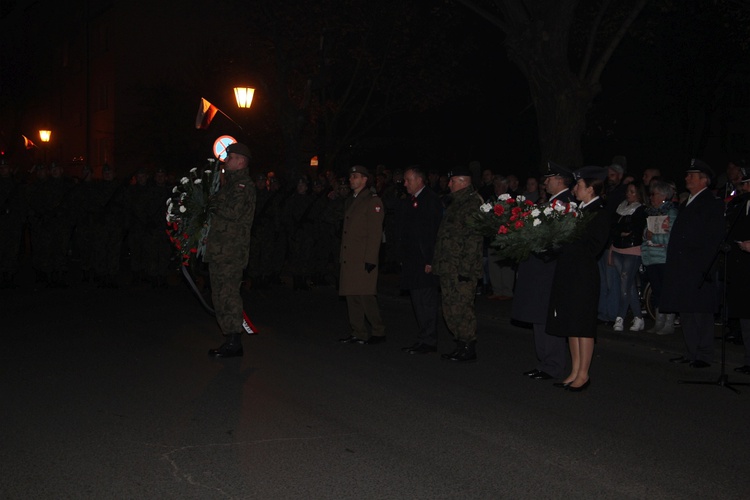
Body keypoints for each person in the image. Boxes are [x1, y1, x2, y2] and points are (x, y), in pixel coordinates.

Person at [547, 166, 610, 391]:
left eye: (580, 186)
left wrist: (569, 239)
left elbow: (593, 246)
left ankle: (584, 374)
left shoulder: (600, 212)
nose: (575, 189)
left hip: (583, 274)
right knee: (571, 324)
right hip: (569, 272)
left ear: (591, 189)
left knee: (583, 325)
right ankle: (574, 370)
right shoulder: (579, 210)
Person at [514, 161, 575, 381]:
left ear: (560, 180)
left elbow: (558, 241)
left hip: (548, 270)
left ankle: (553, 365)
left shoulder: (565, 203)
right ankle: (545, 362)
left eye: (549, 178)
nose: (545, 182)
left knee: (545, 317)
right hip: (541, 269)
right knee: (539, 318)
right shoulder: (552, 202)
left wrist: (537, 247)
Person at [661, 159, 725, 368]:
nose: (687, 178)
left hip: (698, 267)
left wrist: (705, 267)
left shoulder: (711, 203)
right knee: (686, 310)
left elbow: (712, 239)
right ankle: (691, 351)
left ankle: (704, 354)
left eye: (692, 175)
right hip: (684, 266)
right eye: (688, 174)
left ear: (704, 180)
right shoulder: (689, 200)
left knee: (701, 312)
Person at [206, 143, 256, 358]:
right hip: (220, 249)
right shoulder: (229, 185)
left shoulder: (243, 186)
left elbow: (234, 212)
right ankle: (229, 337)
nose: (227, 160)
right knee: (219, 294)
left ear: (242, 161)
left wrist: (210, 204)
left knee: (228, 294)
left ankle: (235, 341)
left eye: (232, 157)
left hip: (231, 251)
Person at [432, 168, 484, 362]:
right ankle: (460, 343)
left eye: (452, 181)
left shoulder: (472, 203)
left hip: (461, 268)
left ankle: (468, 346)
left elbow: (473, 240)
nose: (449, 184)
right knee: (451, 307)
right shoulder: (456, 202)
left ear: (463, 182)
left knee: (462, 307)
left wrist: (466, 269)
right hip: (449, 266)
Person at [337, 165, 386, 345]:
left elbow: (375, 233)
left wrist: (371, 259)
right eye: (350, 176)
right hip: (351, 256)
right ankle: (358, 331)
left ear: (365, 179)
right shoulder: (351, 200)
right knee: (352, 296)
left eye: (355, 176)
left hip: (364, 256)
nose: (351, 179)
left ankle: (378, 330)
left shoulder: (372, 200)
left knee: (365, 295)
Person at [398, 166, 443, 354]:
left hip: (425, 260)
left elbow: (432, 233)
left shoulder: (430, 200)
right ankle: (424, 337)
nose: (405, 184)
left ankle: (428, 340)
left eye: (408, 180)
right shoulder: (414, 200)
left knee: (426, 302)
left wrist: (431, 260)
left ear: (419, 180)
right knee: (418, 301)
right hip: (414, 260)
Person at [641, 179, 679, 335]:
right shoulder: (651, 212)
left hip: (663, 258)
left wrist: (653, 237)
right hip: (651, 258)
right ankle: (659, 321)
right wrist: (647, 235)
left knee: (666, 291)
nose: (651, 197)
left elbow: (671, 238)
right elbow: (645, 233)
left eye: (654, 194)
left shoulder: (671, 213)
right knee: (657, 291)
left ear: (663, 196)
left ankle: (668, 323)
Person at [611, 182, 648, 332]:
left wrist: (622, 230)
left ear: (638, 194)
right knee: (628, 284)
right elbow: (613, 226)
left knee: (625, 283)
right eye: (628, 191)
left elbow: (634, 229)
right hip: (617, 248)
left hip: (632, 249)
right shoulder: (620, 207)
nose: (629, 194)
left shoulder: (640, 210)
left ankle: (620, 317)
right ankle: (639, 317)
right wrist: (619, 232)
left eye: (632, 192)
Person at [726, 169, 750, 374]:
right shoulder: (742, 204)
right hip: (743, 264)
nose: (745, 188)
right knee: (745, 313)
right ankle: (748, 358)